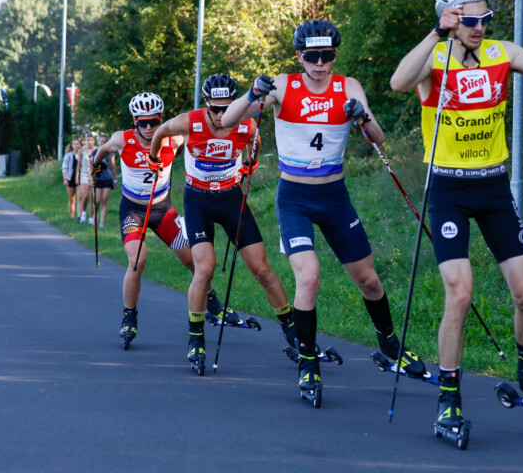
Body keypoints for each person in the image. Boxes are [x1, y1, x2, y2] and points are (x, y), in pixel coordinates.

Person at [390, 0, 523, 432]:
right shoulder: (433, 58)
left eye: (485, 19)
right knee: (459, 295)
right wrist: (436, 33)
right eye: (470, 20)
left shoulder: (502, 53)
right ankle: (449, 396)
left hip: (493, 188)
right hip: (448, 190)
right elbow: (398, 83)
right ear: (451, 19)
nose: (479, 27)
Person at [222, 20, 426, 399]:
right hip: (294, 199)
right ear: (300, 56)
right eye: (312, 56)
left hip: (335, 199)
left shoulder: (348, 87)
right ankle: (308, 362)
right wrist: (252, 93)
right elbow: (229, 119)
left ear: (334, 55)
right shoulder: (283, 85)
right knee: (309, 277)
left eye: (327, 56)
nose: (319, 63)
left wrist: (362, 116)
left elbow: (378, 138)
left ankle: (389, 341)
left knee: (369, 280)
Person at [147, 75, 292, 371]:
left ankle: (293, 331)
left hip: (230, 198)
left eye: (227, 108)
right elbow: (161, 131)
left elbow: (254, 140)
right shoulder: (190, 122)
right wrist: (154, 158)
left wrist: (251, 162)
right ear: (206, 104)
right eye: (215, 108)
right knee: (204, 269)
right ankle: (196, 337)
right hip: (198, 200)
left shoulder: (246, 123)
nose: (222, 114)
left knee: (262, 270)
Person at [91, 92, 245, 353]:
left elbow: (204, 133)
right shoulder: (122, 139)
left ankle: (212, 303)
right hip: (134, 211)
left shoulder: (173, 139)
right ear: (135, 121)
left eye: (154, 121)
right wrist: (95, 166)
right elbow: (101, 152)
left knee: (192, 261)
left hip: (163, 210)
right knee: (137, 261)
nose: (149, 128)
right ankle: (129, 317)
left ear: (161, 118)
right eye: (143, 123)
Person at [90, 134, 116, 228]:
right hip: (97, 178)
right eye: (101, 141)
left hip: (107, 178)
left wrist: (115, 180)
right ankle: (95, 215)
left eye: (104, 142)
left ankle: (102, 222)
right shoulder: (94, 152)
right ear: (98, 142)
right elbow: (91, 166)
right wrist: (91, 179)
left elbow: (113, 166)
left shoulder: (110, 152)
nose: (102, 143)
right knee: (97, 200)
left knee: (105, 200)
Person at [75, 134, 96, 224]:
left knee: (92, 198)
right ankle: (83, 213)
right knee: (85, 195)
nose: (89, 142)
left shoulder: (97, 150)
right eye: (88, 140)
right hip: (84, 175)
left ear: (93, 141)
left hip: (93, 175)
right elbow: (78, 165)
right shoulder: (81, 150)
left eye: (91, 140)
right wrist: (77, 177)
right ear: (85, 141)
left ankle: (91, 217)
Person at [61, 137, 81, 219]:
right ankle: (71, 216)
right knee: (72, 198)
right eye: (74, 144)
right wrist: (65, 179)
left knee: (80, 198)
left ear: (80, 145)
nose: (76, 145)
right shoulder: (68, 156)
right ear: (72, 146)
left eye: (77, 144)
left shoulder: (82, 155)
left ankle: (79, 216)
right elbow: (64, 168)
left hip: (80, 179)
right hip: (70, 178)